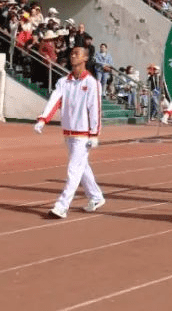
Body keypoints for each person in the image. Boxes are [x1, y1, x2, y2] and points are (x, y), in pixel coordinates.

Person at [33, 46, 105, 219]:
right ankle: (96, 197)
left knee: (74, 168)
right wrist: (43, 118)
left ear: (85, 58)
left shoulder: (92, 83)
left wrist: (94, 134)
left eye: (77, 54)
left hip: (83, 134)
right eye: (72, 53)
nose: (73, 56)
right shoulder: (63, 82)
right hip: (68, 132)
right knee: (82, 166)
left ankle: (62, 205)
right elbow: (54, 100)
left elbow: (95, 109)